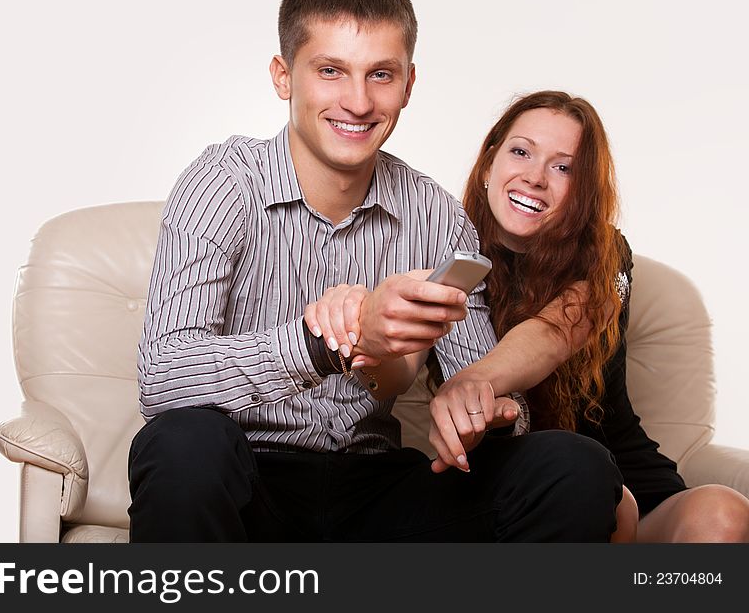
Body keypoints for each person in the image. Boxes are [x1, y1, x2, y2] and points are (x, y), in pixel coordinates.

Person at [130, 0, 624, 542]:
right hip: (246, 480)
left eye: (381, 75)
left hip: (375, 490)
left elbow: (480, 376)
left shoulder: (437, 215)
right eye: (332, 70)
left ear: (409, 84)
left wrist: (483, 413)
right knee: (181, 443)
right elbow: (161, 377)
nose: (359, 102)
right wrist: (324, 344)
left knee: (574, 468)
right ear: (284, 75)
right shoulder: (223, 182)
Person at [311, 89, 749, 542]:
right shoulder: (442, 251)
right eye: (521, 152)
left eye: (563, 167)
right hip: (524, 488)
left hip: (625, 475)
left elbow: (551, 334)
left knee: (721, 512)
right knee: (601, 497)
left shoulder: (606, 254)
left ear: (583, 192)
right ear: (488, 165)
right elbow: (403, 364)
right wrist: (366, 338)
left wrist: (470, 382)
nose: (536, 177)